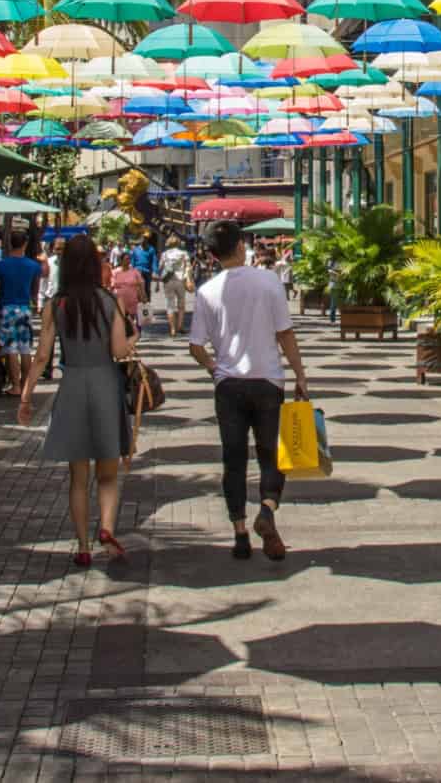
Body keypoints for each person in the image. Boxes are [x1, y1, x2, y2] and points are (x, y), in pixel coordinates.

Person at [187, 220, 308, 562]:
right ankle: (267, 510)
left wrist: (214, 369)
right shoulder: (269, 281)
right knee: (272, 454)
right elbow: (285, 333)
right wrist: (300, 374)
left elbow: (195, 346)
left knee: (234, 459)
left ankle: (240, 534)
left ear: (211, 255)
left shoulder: (207, 291)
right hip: (268, 380)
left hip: (229, 385)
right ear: (242, 246)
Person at [18, 235, 132, 568]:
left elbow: (41, 356)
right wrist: (133, 337)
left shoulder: (56, 304)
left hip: (72, 385)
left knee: (78, 478)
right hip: (105, 385)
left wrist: (26, 395)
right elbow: (118, 351)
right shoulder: (109, 302)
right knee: (108, 474)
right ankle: (107, 529)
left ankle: (82, 546)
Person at [0, 231, 45, 396]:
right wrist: (35, 304)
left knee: (10, 348)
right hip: (25, 309)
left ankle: (15, 386)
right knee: (25, 348)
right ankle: (25, 385)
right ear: (25, 244)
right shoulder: (33, 266)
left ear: (10, 243)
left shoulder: (1, 265)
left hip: (7, 309)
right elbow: (35, 290)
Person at [157, 235, 192, 338]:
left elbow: (160, 267)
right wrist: (188, 278)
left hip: (168, 280)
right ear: (178, 243)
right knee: (181, 304)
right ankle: (180, 326)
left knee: (170, 304)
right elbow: (188, 267)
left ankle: (172, 329)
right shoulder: (183, 253)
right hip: (180, 280)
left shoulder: (165, 254)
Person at [109, 251, 145, 328]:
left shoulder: (135, 271)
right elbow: (111, 286)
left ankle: (131, 333)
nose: (128, 261)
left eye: (129, 259)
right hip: (119, 300)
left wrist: (143, 296)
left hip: (132, 300)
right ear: (121, 260)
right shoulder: (115, 272)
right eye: (126, 259)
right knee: (121, 318)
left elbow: (141, 283)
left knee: (131, 318)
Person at [130, 236, 157, 310]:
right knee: (138, 290)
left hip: (147, 272)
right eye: (141, 239)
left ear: (147, 240)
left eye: (144, 239)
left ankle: (147, 308)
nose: (142, 241)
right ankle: (138, 308)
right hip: (137, 272)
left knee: (147, 290)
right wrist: (131, 272)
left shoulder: (151, 249)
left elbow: (154, 261)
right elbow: (132, 262)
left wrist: (155, 271)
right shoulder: (135, 250)